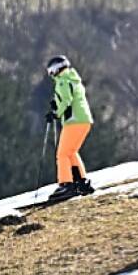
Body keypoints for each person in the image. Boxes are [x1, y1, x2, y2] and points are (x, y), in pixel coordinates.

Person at [44, 55, 95, 202]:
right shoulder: (73, 79)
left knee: (62, 154)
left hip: (74, 122)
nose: (51, 74)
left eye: (51, 70)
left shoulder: (63, 81)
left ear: (57, 68)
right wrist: (57, 105)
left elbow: (66, 100)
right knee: (71, 152)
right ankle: (81, 181)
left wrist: (55, 113)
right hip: (84, 121)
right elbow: (66, 99)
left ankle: (66, 184)